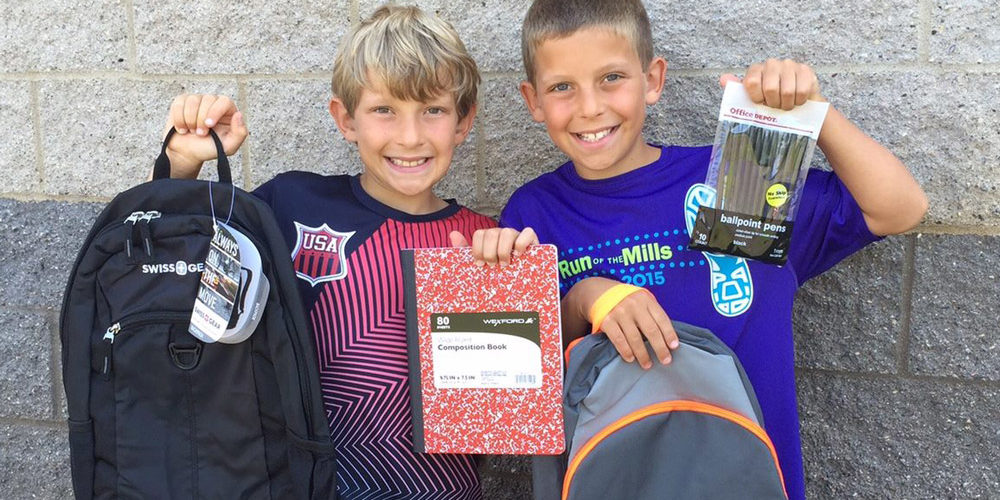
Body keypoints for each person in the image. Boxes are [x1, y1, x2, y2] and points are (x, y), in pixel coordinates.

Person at [495, 1, 929, 499]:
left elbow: (899, 208)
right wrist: (583, 298)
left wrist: (814, 112)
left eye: (612, 77)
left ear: (653, 80)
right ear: (533, 100)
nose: (590, 106)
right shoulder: (534, 213)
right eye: (562, 87)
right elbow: (518, 389)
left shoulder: (734, 177)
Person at [159, 6, 501, 499]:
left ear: (463, 121)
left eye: (433, 110)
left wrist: (514, 284)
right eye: (385, 109)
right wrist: (182, 163)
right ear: (346, 119)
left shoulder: (483, 239)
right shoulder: (290, 205)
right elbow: (174, 274)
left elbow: (505, 409)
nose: (410, 136)